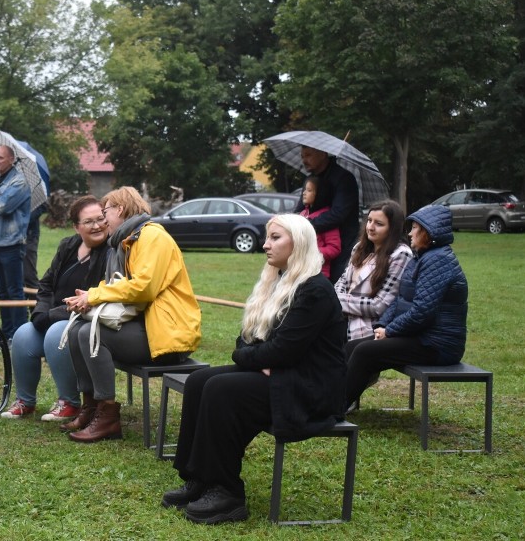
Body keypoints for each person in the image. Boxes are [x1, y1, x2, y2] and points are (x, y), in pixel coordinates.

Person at [161, 214, 346, 525]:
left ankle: (228, 493)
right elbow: (248, 340)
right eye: (267, 237)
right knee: (198, 382)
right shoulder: (280, 281)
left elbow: (284, 351)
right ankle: (200, 478)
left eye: (275, 238)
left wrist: (253, 357)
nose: (265, 245)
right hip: (281, 373)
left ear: (297, 243)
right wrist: (253, 357)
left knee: (222, 390)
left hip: (308, 388)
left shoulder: (315, 290)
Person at [63, 186, 201, 443]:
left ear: (121, 209)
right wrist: (89, 295)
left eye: (105, 212)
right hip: (145, 326)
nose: (103, 220)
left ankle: (107, 417)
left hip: (167, 334)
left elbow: (144, 287)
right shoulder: (127, 241)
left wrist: (95, 296)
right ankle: (91, 407)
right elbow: (121, 284)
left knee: (91, 334)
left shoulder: (152, 237)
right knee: (75, 331)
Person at [344, 204, 468, 411]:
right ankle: (327, 399)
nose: (409, 233)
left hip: (438, 345)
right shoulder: (422, 257)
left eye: (415, 228)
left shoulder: (439, 261)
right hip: (420, 337)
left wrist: (390, 331)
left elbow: (422, 312)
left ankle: (333, 408)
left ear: (428, 232)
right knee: (352, 347)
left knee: (366, 351)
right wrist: (382, 326)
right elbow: (399, 299)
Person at [2, 196, 109, 421]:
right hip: (52, 316)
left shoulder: (110, 253)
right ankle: (25, 401)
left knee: (54, 334)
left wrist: (52, 315)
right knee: (22, 334)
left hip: (85, 319)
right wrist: (41, 312)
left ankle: (69, 402)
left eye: (101, 218)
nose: (97, 225)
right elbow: (46, 284)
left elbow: (98, 297)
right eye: (89, 222)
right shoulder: (68, 245)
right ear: (76, 227)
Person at [335, 199, 412, 341]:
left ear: (393, 228)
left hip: (368, 328)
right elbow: (342, 282)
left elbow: (379, 306)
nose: (370, 227)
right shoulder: (359, 248)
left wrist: (336, 301)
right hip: (340, 319)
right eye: (369, 221)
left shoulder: (400, 254)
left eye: (379, 224)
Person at [0, 145, 31, 338]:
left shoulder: (19, 182)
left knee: (14, 292)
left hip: (11, 244)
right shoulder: (0, 181)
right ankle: (7, 333)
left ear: (11, 159)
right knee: (1, 291)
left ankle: (20, 335)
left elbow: (2, 206)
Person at [294, 146, 359, 283]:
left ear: (323, 154)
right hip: (313, 247)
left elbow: (338, 214)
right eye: (302, 156)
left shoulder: (344, 178)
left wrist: (306, 225)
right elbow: (299, 210)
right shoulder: (311, 178)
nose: (304, 160)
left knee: (334, 287)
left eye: (308, 155)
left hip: (341, 246)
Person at [299, 175, 340, 278]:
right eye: (304, 189)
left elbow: (334, 248)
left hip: (318, 273)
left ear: (319, 194)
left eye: (309, 190)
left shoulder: (326, 218)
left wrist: (312, 253)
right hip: (300, 270)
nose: (304, 193)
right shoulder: (303, 213)